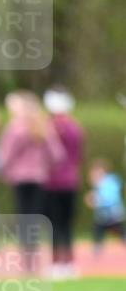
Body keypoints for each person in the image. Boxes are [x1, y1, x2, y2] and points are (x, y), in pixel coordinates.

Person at [0, 91, 63, 271]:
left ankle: (26, 261)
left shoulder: (15, 127)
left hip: (20, 179)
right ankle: (33, 259)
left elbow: (5, 154)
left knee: (23, 219)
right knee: (34, 219)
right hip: (39, 178)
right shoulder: (44, 126)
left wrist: (4, 171)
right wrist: (44, 166)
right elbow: (57, 155)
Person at [43, 86, 84, 278]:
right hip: (70, 181)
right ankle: (67, 262)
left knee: (55, 223)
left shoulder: (49, 126)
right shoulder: (75, 127)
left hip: (53, 182)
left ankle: (57, 262)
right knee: (66, 224)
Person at [85, 158, 126, 251]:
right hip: (102, 216)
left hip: (113, 214)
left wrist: (96, 200)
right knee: (97, 229)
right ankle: (97, 247)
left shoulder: (110, 182)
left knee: (119, 230)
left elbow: (111, 198)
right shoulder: (98, 184)